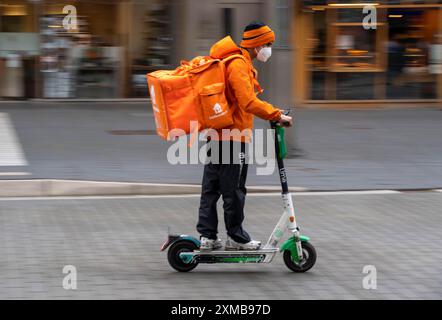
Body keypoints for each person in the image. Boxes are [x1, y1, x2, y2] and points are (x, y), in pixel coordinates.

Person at [197, 21, 293, 251]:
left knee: (212, 187)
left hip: (216, 134)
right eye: (267, 44)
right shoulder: (238, 64)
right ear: (257, 44)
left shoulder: (230, 61)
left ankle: (207, 236)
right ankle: (236, 237)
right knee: (234, 190)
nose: (269, 49)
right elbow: (247, 101)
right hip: (232, 137)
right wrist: (276, 114)